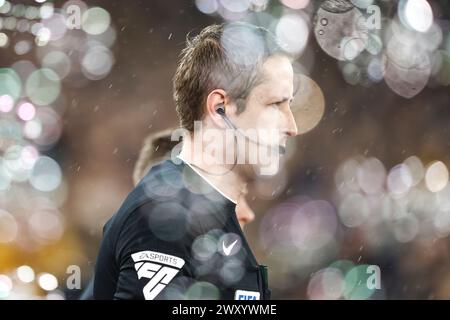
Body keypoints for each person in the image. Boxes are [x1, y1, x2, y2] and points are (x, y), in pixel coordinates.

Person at [92, 22, 298, 300]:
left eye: (290, 106)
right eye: (275, 105)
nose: (292, 126)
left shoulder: (201, 211)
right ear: (219, 109)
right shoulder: (164, 216)